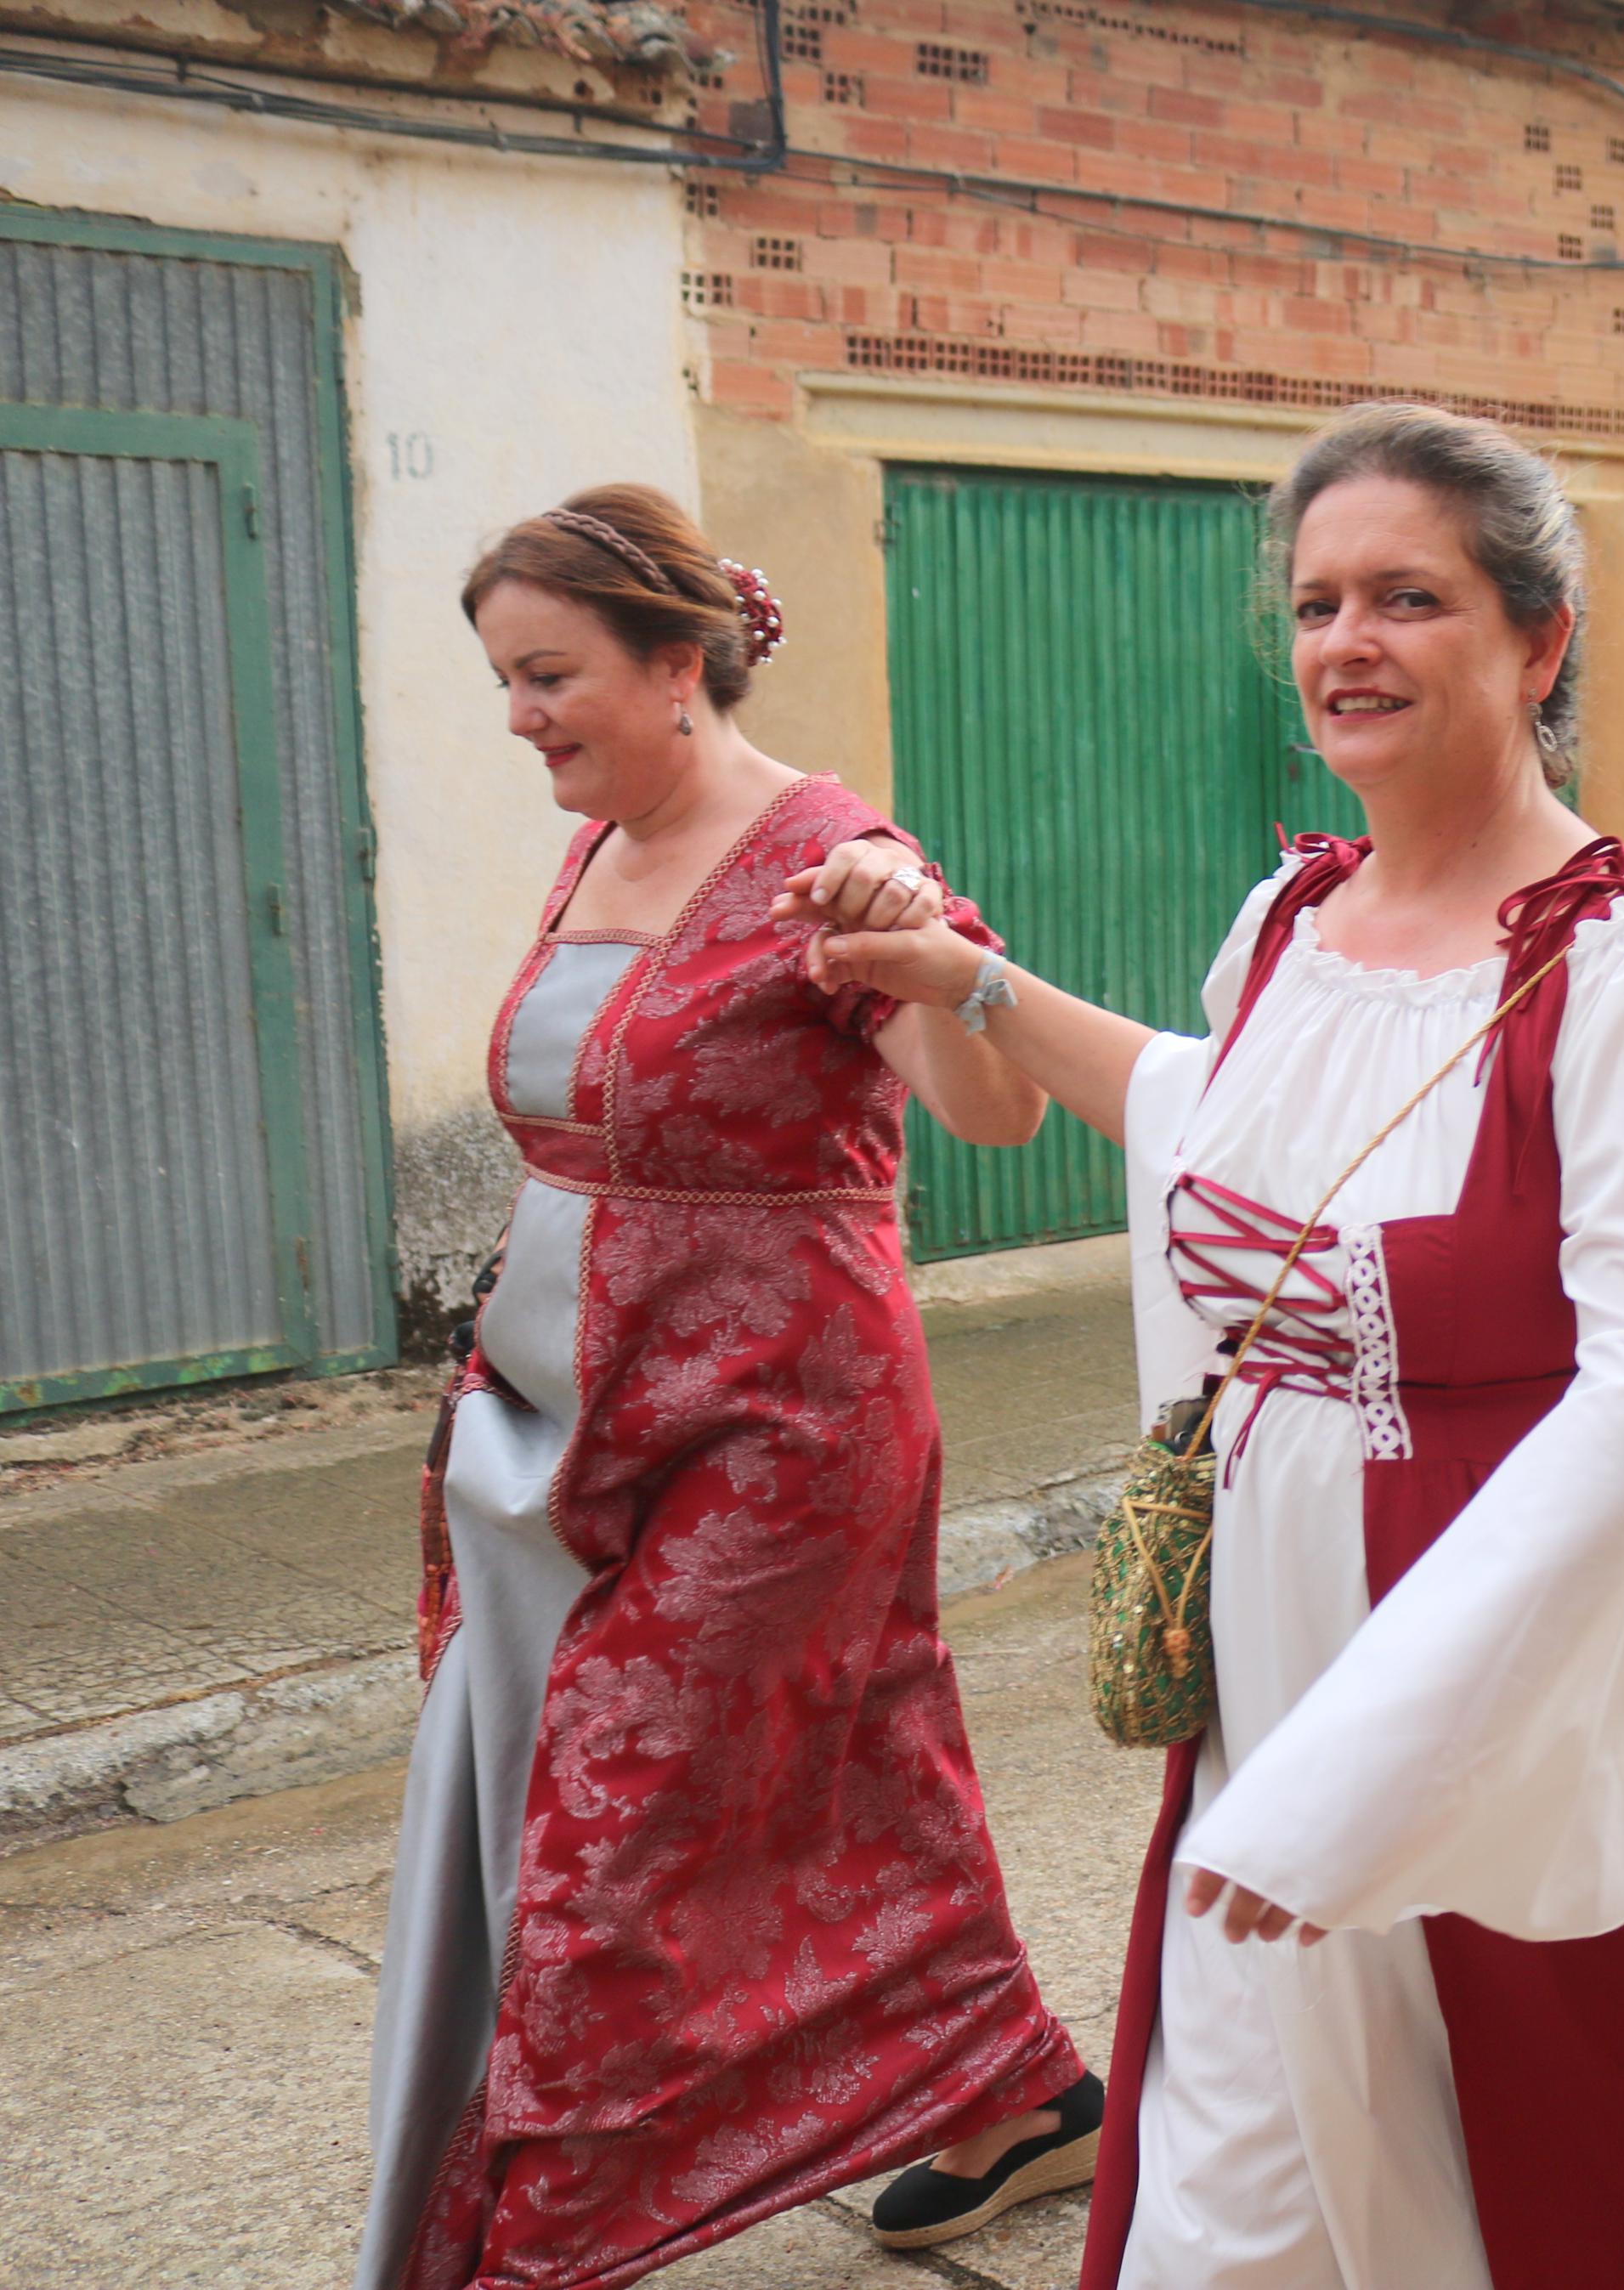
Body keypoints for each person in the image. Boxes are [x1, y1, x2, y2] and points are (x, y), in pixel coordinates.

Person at [788, 402, 1624, 2290]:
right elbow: (1208, 1112)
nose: (1347, 640)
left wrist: (1368, 1755)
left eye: (1408, 596)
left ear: (1535, 640)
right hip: (1272, 1635)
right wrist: (966, 984)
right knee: (1238, 2178)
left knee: (1547, 2184)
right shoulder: (1292, 914)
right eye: (1319, 600)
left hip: (1498, 1686)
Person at [358, 487, 1100, 2290]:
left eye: (550, 675)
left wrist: (926, 948)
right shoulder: (600, 841)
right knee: (859, 1778)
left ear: (673, 664)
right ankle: (1013, 2087)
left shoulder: (836, 853)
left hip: (781, 1428)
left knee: (611, 1817)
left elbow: (991, 1112)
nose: (523, 715)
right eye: (503, 683)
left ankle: (550, 2234)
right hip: (565, 1422)